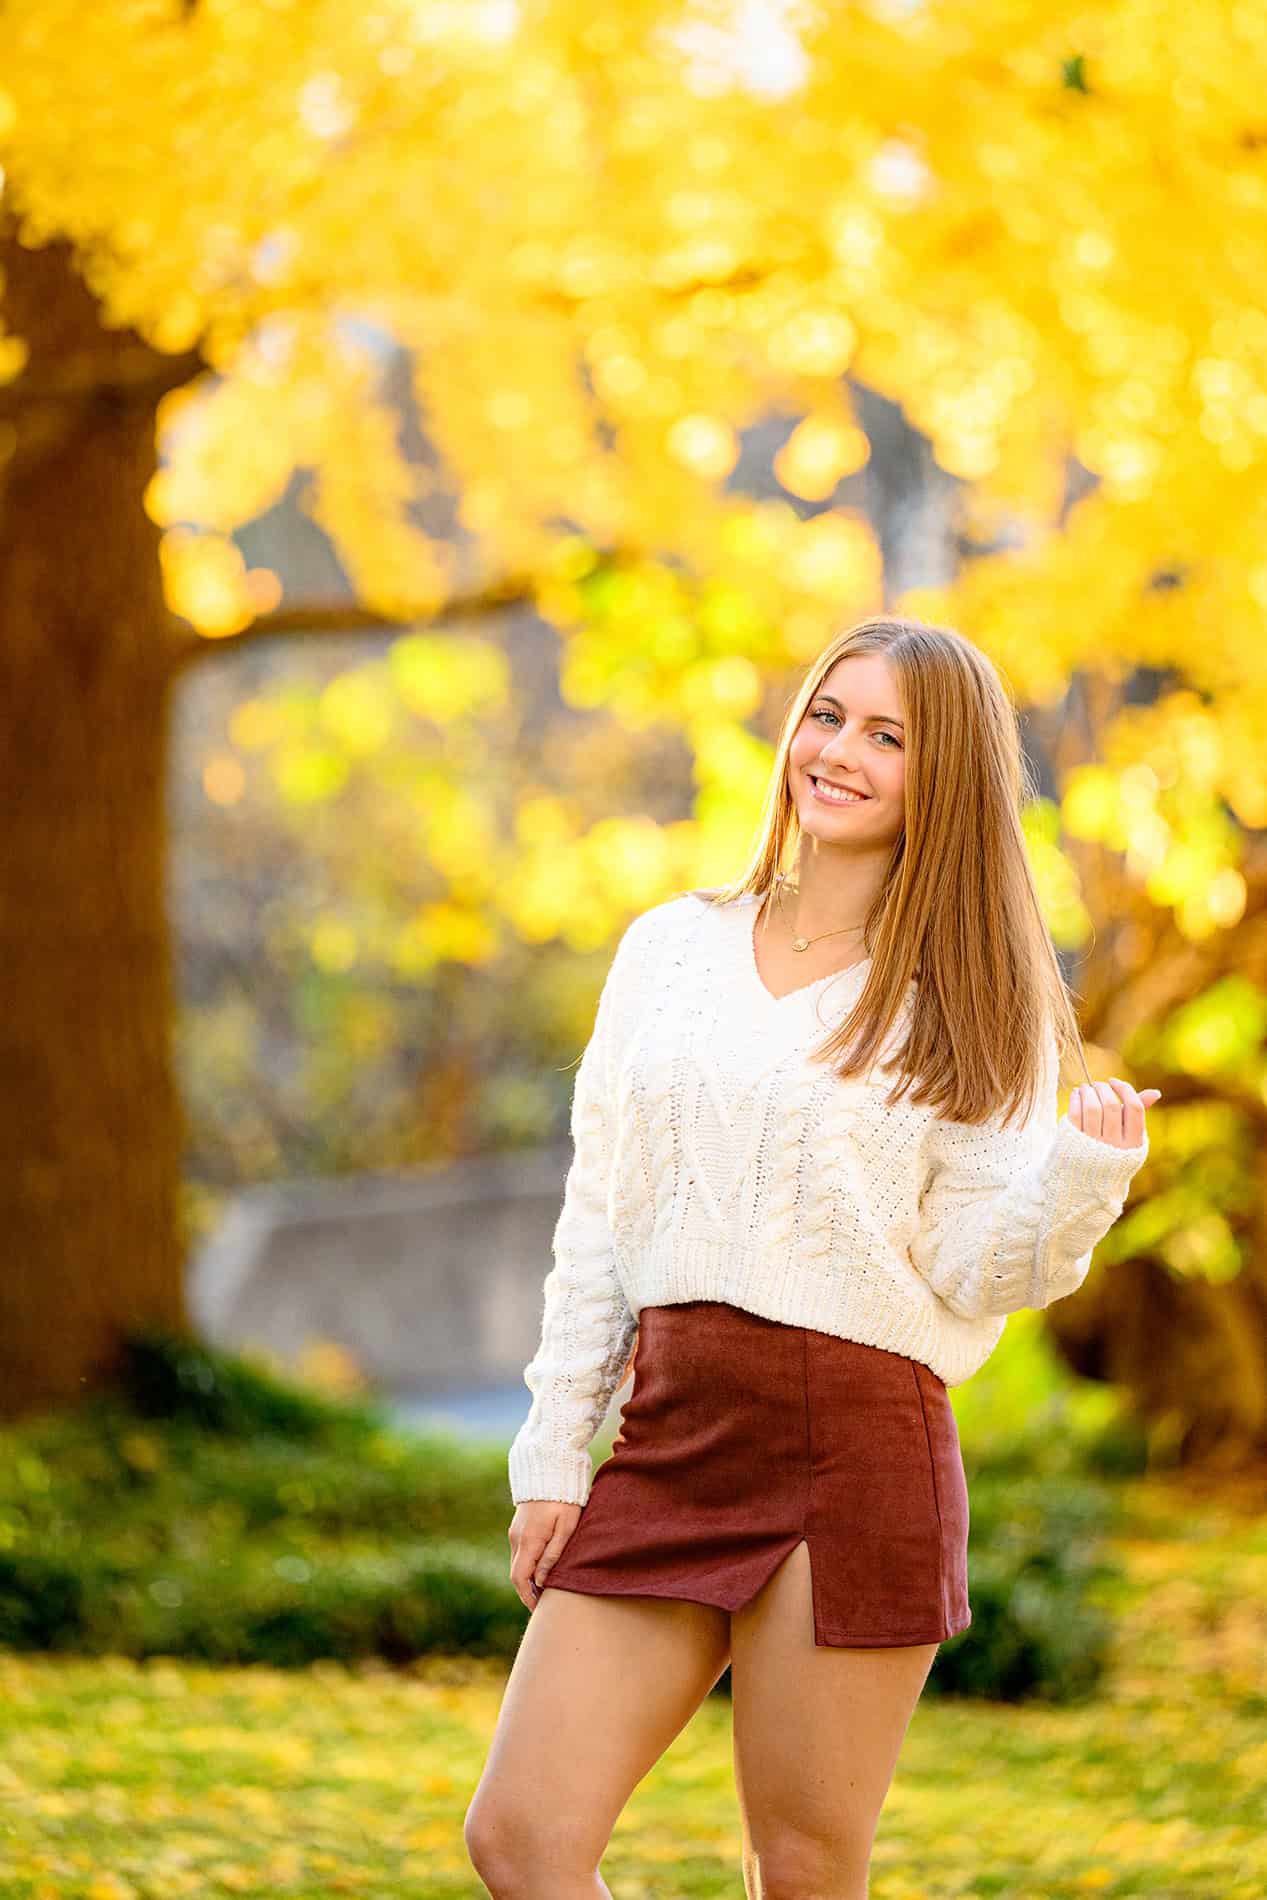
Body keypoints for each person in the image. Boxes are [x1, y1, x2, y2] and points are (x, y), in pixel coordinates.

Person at [464, 615, 1159, 1900]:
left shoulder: (973, 999)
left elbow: (971, 1265)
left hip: (858, 1447)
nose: (838, 752)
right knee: (520, 1836)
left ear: (938, 778)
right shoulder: (668, 950)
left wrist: (1076, 1183)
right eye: (829, 715)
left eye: (887, 736)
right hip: (669, 1432)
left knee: (800, 1869)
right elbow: (598, 1220)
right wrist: (557, 1457)